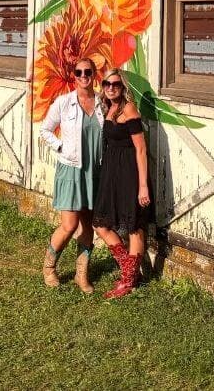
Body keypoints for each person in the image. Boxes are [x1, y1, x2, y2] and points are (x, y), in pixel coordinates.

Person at [40, 57, 104, 293]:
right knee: (69, 225)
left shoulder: (102, 103)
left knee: (88, 226)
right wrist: (61, 147)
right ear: (74, 76)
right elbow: (45, 130)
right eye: (79, 72)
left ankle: (81, 274)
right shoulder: (64, 102)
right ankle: (49, 268)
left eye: (88, 71)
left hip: (94, 171)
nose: (83, 76)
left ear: (94, 74)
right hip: (71, 169)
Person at [92, 68, 151, 299]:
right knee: (100, 224)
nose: (111, 88)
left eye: (115, 84)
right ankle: (130, 271)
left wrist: (143, 186)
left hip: (130, 173)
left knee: (133, 226)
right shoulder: (108, 108)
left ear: (123, 87)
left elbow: (141, 149)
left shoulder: (129, 109)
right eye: (107, 84)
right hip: (112, 173)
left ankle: (127, 281)